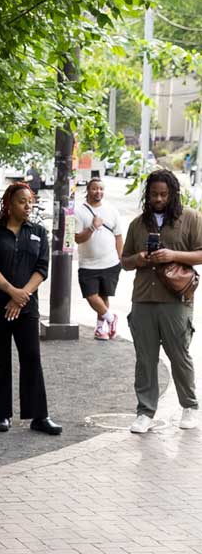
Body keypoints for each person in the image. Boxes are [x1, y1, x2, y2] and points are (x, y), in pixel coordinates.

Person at [0, 184, 61, 435]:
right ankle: (2, 415)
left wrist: (22, 296)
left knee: (32, 357)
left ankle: (39, 416)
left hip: (27, 306)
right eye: (22, 201)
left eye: (30, 201)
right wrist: (12, 292)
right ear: (9, 204)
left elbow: (42, 269)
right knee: (0, 358)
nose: (28, 206)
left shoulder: (38, 232)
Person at [119, 170, 201, 433]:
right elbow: (124, 261)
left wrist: (172, 255)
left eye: (164, 194)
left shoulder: (189, 218)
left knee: (179, 355)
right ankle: (145, 412)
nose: (158, 198)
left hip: (176, 299)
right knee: (145, 358)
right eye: (154, 194)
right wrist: (139, 259)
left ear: (173, 193)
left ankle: (189, 406)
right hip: (143, 298)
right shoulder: (138, 224)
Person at [75, 177, 124, 341]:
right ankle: (111, 318)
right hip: (88, 264)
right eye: (95, 188)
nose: (98, 192)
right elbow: (77, 238)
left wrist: (121, 257)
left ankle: (100, 328)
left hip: (110, 262)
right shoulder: (79, 211)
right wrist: (92, 227)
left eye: (101, 189)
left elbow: (118, 236)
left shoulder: (111, 210)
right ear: (88, 190)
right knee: (91, 296)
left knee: (103, 296)